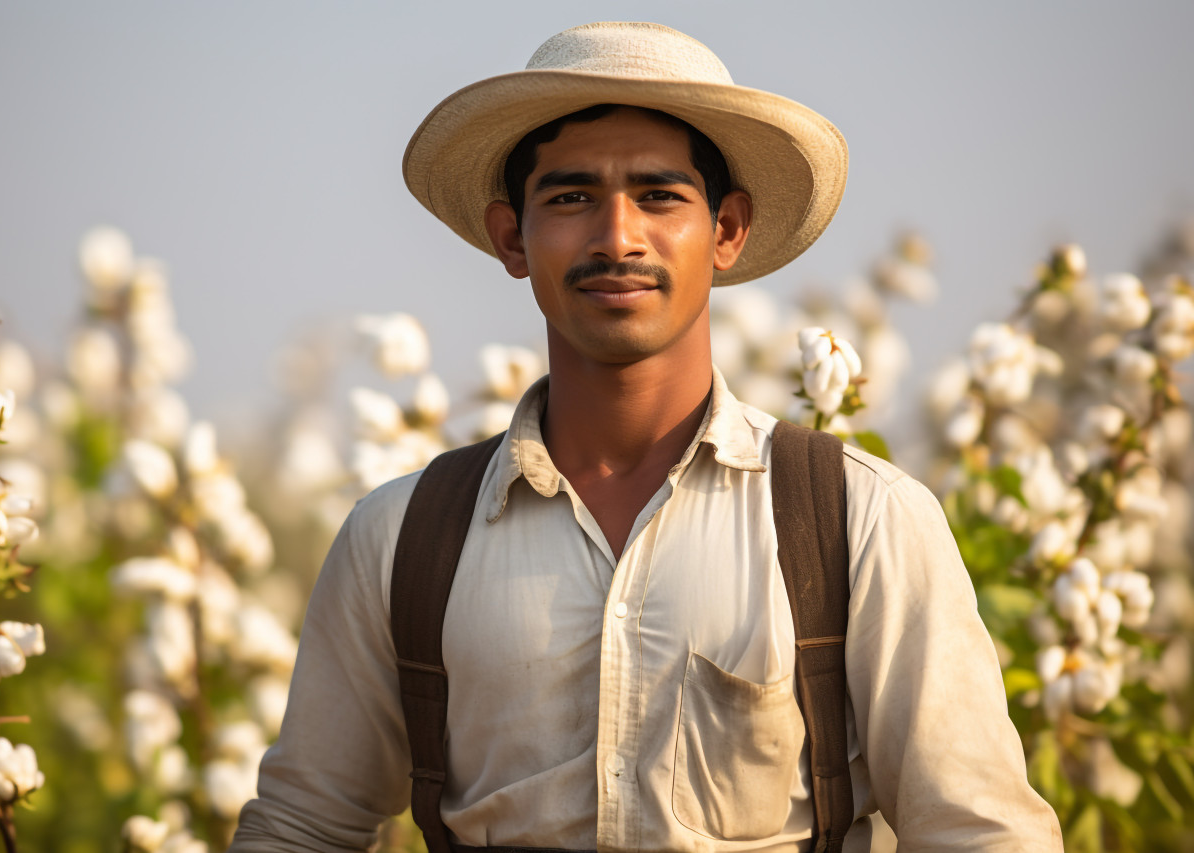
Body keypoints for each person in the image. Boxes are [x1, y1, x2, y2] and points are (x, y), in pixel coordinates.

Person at [231, 22, 1063, 852]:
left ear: (727, 230)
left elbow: (979, 833)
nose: (617, 237)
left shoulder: (858, 520)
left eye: (660, 196)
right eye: (570, 197)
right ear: (511, 237)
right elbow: (303, 827)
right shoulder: (402, 539)